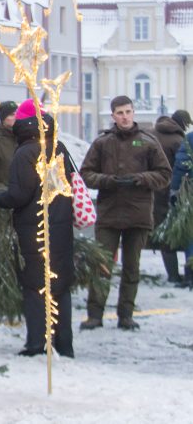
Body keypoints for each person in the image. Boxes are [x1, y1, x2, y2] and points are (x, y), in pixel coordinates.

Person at [0, 100, 75, 357]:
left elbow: (19, 196)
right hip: (61, 227)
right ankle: (64, 345)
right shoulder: (59, 148)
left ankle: (36, 344)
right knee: (59, 286)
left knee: (35, 287)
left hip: (35, 227)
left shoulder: (25, 153)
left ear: (23, 123)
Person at [79, 95, 171, 330]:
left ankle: (126, 315)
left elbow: (164, 174)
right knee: (102, 267)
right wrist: (109, 181)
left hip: (138, 214)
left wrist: (140, 179)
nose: (125, 116)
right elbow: (86, 174)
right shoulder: (102, 143)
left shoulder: (148, 142)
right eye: (120, 113)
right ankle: (95, 315)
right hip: (109, 214)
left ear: (133, 113)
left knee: (132, 268)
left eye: (128, 112)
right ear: (113, 116)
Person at [152, 110, 190, 283]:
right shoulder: (178, 140)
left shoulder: (151, 135)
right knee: (180, 232)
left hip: (153, 191)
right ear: (182, 123)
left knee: (164, 233)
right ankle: (183, 275)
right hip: (175, 193)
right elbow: (181, 168)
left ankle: (173, 275)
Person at [169, 110, 193, 288]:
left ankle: (190, 274)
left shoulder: (190, 139)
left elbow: (181, 165)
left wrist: (175, 190)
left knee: (190, 235)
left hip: (190, 195)